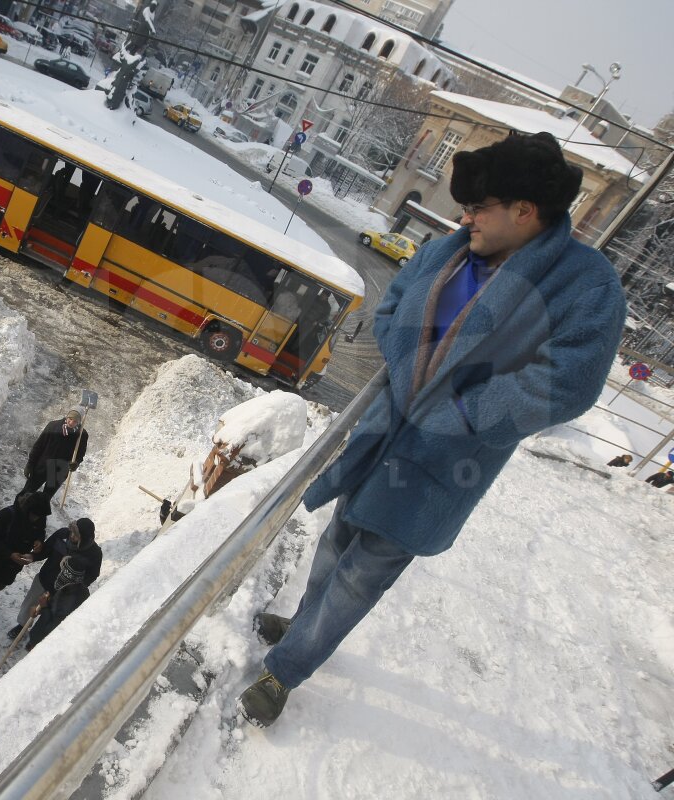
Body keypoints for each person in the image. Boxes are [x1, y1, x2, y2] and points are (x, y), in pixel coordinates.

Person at [238, 131, 627, 727]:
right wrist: (405, 366)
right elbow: (392, 306)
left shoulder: (587, 283)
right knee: (336, 542)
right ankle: (301, 627)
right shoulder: (452, 249)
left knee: (362, 576)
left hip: (446, 461)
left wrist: (465, 413)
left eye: (478, 208)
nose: (464, 216)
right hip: (384, 434)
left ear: (526, 212)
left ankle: (285, 671)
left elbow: (570, 381)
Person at [8, 517, 101, 638]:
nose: (72, 536)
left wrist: (76, 584)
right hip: (44, 579)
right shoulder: (62, 534)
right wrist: (33, 556)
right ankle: (21, 626)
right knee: (30, 605)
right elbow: (46, 549)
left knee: (50, 614)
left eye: (77, 535)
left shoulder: (95, 554)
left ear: (86, 538)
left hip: (63, 592)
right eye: (72, 531)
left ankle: (36, 638)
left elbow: (92, 575)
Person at [0, 491, 51, 620]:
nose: (36, 519)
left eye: (39, 516)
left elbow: (40, 531)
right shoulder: (8, 515)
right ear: (28, 508)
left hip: (11, 565)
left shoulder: (39, 516)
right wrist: (9, 554)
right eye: (34, 515)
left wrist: (39, 541)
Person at [26, 555, 92, 650]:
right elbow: (54, 606)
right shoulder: (77, 588)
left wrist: (44, 607)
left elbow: (50, 627)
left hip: (45, 641)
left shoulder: (69, 601)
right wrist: (41, 608)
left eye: (63, 571)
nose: (59, 574)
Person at [22, 409, 89, 501]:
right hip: (42, 467)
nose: (71, 422)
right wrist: (30, 464)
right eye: (70, 419)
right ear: (67, 417)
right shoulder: (53, 426)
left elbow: (80, 453)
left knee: (44, 500)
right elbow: (39, 445)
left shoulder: (82, 434)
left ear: (79, 422)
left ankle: (35, 515)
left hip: (59, 471)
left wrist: (76, 463)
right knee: (26, 493)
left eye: (75, 421)